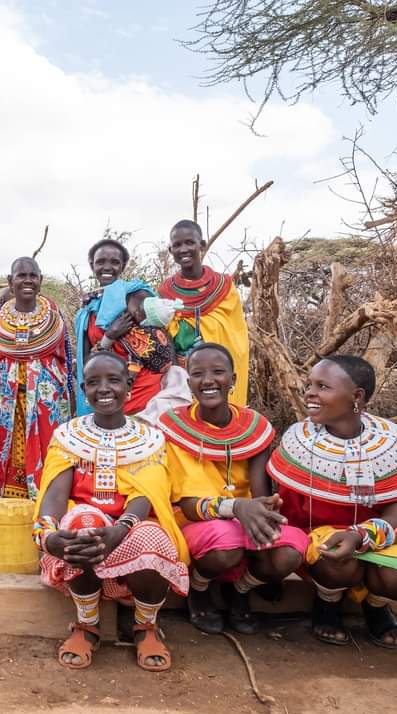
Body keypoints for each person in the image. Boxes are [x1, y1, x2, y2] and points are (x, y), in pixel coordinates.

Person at [268, 355, 397, 647]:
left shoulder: (392, 446)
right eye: (309, 385)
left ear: (357, 396)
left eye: (323, 386)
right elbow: (290, 508)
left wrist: (359, 535)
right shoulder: (299, 443)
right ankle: (328, 602)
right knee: (336, 563)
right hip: (320, 530)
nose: (310, 393)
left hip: (378, 530)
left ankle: (376, 606)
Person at [34, 352, 189, 671]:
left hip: (129, 530)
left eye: (113, 380)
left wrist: (120, 530)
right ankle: (87, 624)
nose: (104, 389)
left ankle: (145, 626)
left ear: (129, 386)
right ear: (83, 388)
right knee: (81, 524)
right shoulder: (68, 436)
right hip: (88, 534)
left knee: (152, 535)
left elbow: (146, 495)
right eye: (94, 382)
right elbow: (55, 495)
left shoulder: (150, 438)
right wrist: (49, 538)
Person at [158, 343, 308, 634]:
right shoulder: (173, 427)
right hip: (194, 520)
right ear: (189, 383)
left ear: (234, 380)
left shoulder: (253, 427)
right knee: (227, 544)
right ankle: (198, 588)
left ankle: (241, 591)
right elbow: (186, 503)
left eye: (218, 372)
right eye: (198, 373)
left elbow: (260, 494)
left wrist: (262, 513)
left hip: (246, 516)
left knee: (289, 549)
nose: (208, 380)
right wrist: (236, 507)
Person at [0, 257, 73, 499]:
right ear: (10, 281)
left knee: (49, 449)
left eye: (32, 276)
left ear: (40, 280)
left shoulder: (54, 320)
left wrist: (39, 375)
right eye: (21, 275)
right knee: (11, 449)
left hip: (46, 404)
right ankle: (13, 504)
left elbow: (65, 360)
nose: (27, 280)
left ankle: (48, 502)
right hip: (9, 403)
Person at [74, 237, 181, 417]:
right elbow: (85, 363)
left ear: (123, 266)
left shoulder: (138, 297)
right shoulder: (87, 311)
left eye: (114, 262)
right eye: (100, 262)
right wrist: (109, 336)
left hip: (146, 396)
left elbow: (163, 345)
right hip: (106, 396)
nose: (107, 267)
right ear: (92, 266)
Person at [159, 220, 250, 405]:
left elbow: (235, 332)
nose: (183, 249)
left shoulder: (223, 286)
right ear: (171, 251)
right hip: (182, 373)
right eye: (177, 245)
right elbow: (163, 334)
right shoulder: (165, 292)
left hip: (217, 371)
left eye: (189, 242)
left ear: (202, 244)